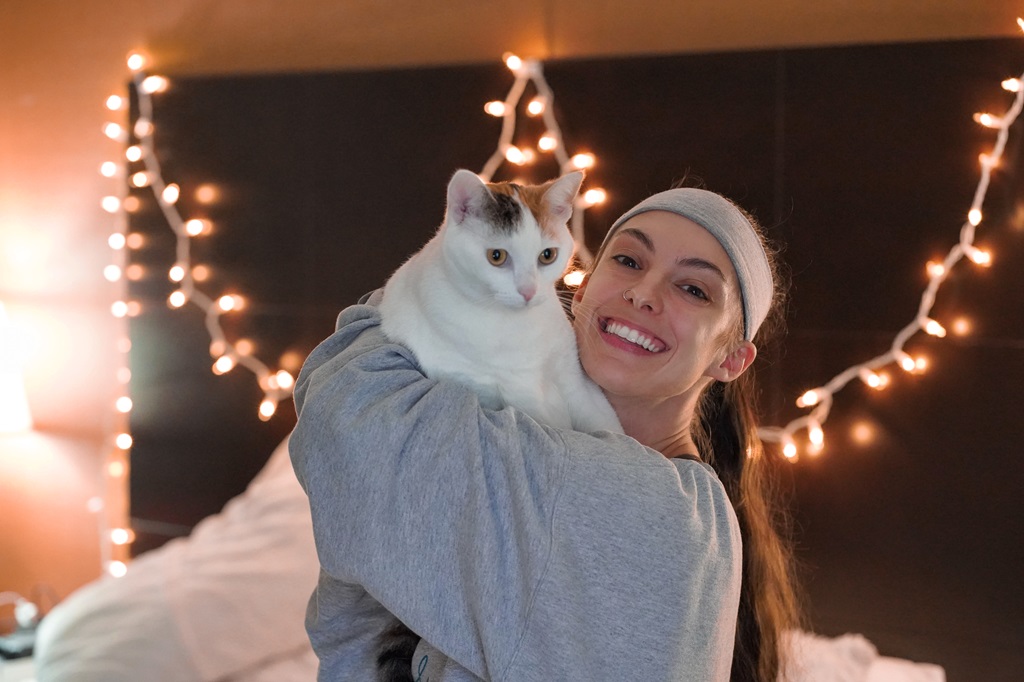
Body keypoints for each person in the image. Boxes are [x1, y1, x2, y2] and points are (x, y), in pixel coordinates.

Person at [288, 185, 800, 681]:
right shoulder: (523, 433)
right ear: (583, 278)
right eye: (627, 260)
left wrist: (457, 278)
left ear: (732, 358)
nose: (643, 294)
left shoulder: (647, 504)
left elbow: (344, 417)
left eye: (693, 289)